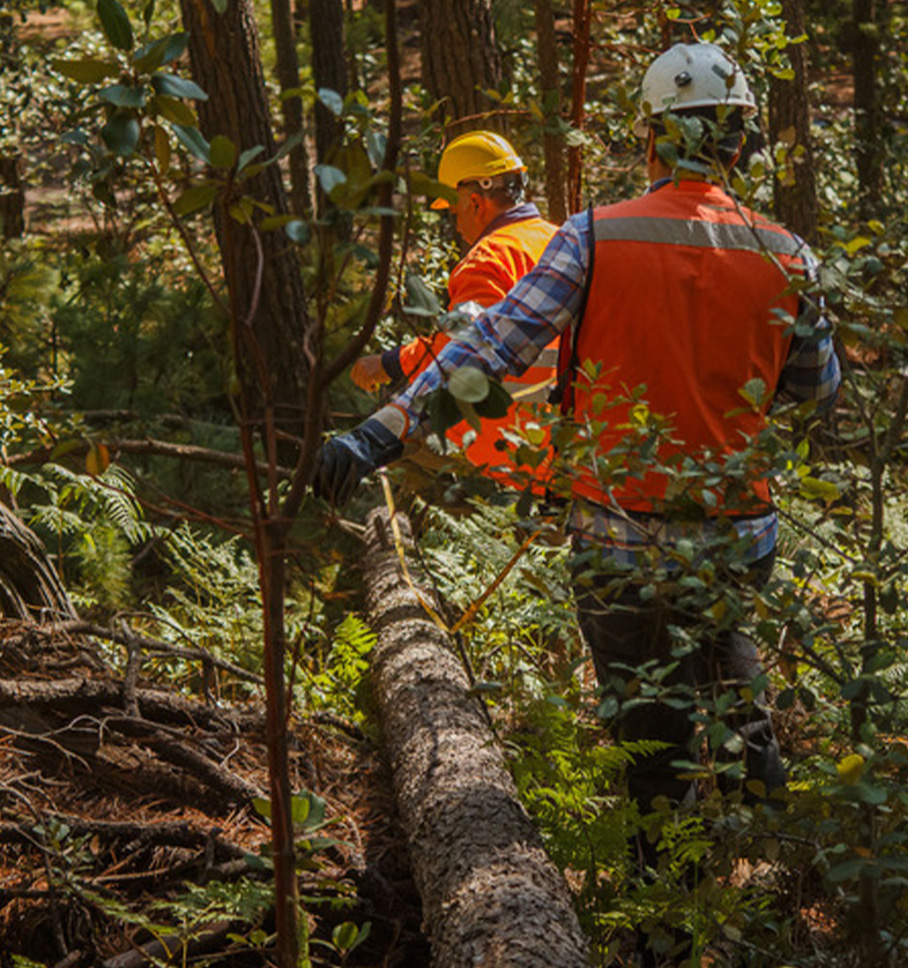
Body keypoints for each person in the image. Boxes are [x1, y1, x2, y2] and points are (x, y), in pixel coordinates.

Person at [316, 42, 840, 965]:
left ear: (650, 141)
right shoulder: (787, 251)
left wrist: (374, 435)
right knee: (731, 676)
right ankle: (785, 885)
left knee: (648, 731)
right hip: (735, 535)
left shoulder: (595, 235)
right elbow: (816, 388)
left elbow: (488, 357)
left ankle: (660, 923)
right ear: (741, 142)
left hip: (619, 536)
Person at [350, 130, 559, 491]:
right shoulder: (561, 239)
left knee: (403, 455)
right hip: (570, 443)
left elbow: (457, 351)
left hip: (506, 450)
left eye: (454, 211)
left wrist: (388, 364)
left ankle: (420, 545)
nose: (457, 226)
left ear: (477, 203)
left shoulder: (487, 260)